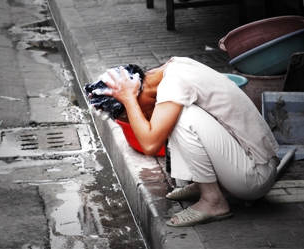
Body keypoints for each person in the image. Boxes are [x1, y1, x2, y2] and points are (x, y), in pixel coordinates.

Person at [95, 56, 280, 227]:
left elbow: (150, 145)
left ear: (135, 91)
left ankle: (213, 201)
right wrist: (130, 100)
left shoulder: (173, 85)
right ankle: (202, 184)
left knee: (182, 116)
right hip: (249, 161)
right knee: (169, 113)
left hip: (256, 175)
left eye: (128, 114)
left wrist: (128, 100)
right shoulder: (172, 67)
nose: (136, 116)